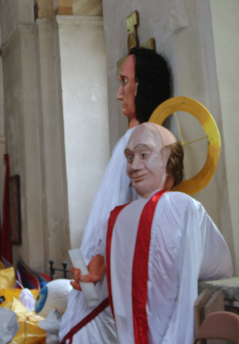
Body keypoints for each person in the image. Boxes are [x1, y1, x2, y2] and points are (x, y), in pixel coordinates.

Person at [58, 47, 172, 344]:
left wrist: (101, 256)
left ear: (142, 86)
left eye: (125, 82)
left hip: (113, 278)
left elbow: (131, 208)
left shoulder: (149, 146)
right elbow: (108, 205)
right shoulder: (129, 140)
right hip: (97, 272)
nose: (119, 93)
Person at [106, 123, 232, 344]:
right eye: (129, 158)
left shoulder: (179, 207)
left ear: (167, 158)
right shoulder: (122, 217)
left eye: (143, 154)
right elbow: (219, 265)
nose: (134, 166)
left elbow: (208, 271)